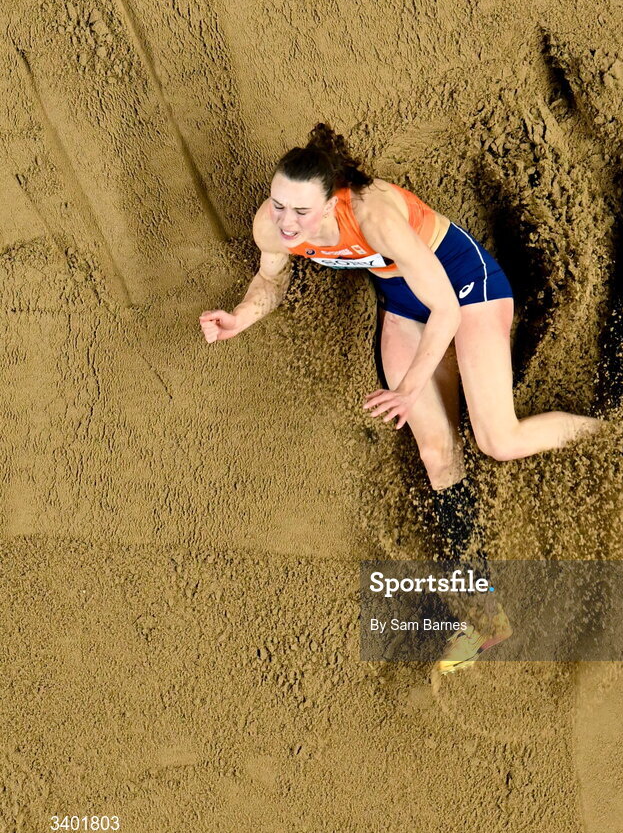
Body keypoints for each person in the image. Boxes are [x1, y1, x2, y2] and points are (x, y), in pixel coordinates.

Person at [199, 124, 602, 671]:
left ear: (330, 201)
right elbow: (271, 281)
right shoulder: (272, 225)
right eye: (278, 206)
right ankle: (486, 618)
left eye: (300, 212)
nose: (287, 223)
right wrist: (239, 317)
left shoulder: (372, 215)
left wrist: (410, 387)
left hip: (463, 286)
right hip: (403, 301)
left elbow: (448, 311)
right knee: (438, 455)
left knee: (498, 440)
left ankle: (616, 435)